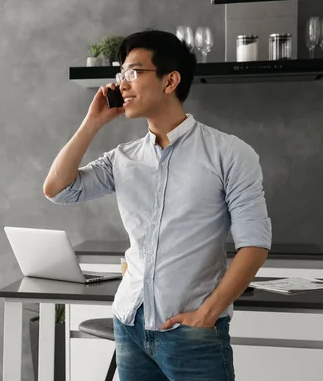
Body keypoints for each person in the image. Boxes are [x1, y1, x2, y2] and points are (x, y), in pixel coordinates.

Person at [43, 29, 271, 380]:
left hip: (192, 331)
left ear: (170, 81)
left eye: (134, 72)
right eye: (121, 75)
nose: (123, 84)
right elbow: (58, 189)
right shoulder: (123, 159)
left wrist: (207, 314)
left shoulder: (229, 154)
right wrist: (93, 122)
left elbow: (254, 243)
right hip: (130, 324)